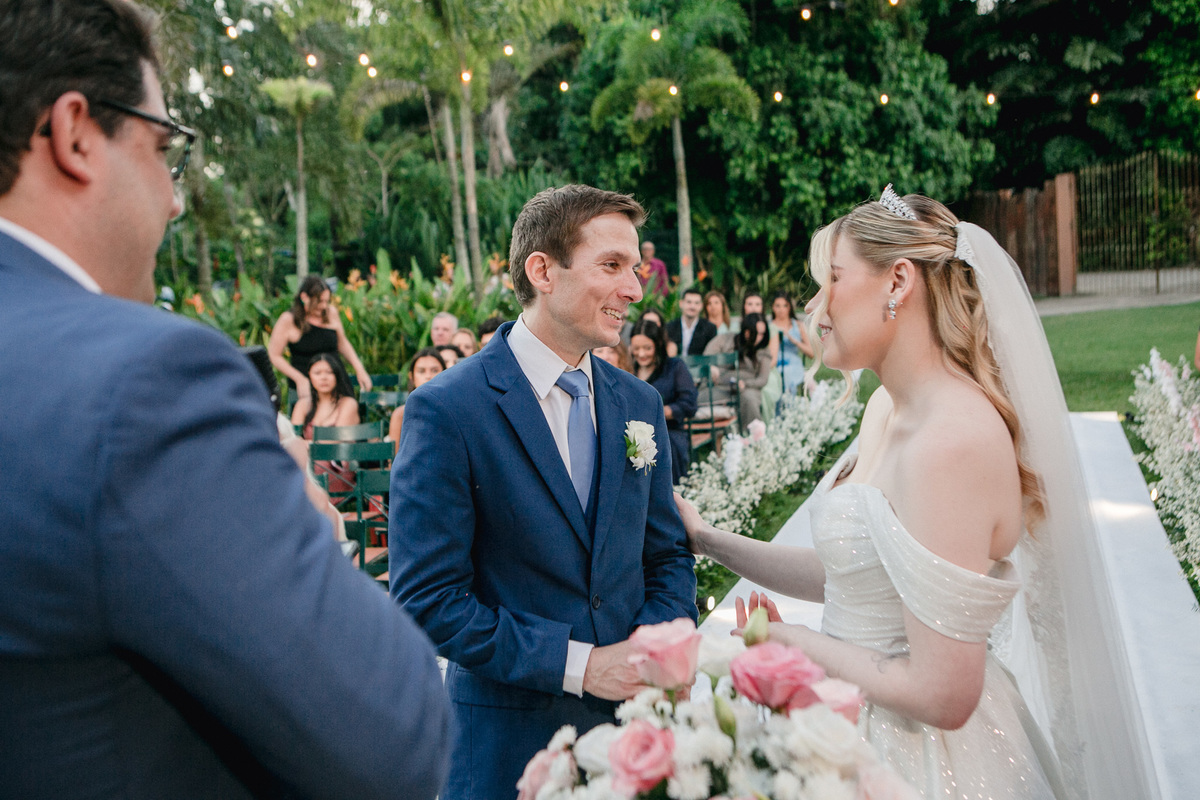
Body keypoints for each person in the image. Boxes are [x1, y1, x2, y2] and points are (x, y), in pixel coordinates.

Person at [0, 2, 450, 797]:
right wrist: (302, 512)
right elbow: (399, 736)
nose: (175, 200)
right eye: (164, 147)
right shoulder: (145, 386)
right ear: (75, 134)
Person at [676, 187, 1156, 799]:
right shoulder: (886, 408)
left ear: (897, 282)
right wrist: (706, 540)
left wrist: (790, 643)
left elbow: (945, 694)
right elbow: (853, 574)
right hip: (851, 724)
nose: (814, 308)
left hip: (924, 762)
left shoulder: (949, 442)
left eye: (832, 281)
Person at [390, 184, 697, 800]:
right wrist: (583, 666)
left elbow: (666, 556)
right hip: (508, 750)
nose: (634, 290)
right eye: (611, 266)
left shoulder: (638, 402)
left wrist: (653, 650)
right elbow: (427, 598)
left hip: (635, 746)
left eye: (634, 269)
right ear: (542, 271)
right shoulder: (448, 409)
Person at [268, 274, 373, 402]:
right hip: (306, 386)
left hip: (336, 382)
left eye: (326, 301)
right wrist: (299, 378)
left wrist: (359, 369)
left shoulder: (331, 313)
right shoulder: (288, 320)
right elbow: (274, 355)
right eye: (319, 301)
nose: (323, 306)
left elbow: (342, 343)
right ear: (304, 297)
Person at [630, 317, 698, 485]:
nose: (641, 354)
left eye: (647, 348)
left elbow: (689, 404)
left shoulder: (674, 367)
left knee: (664, 447)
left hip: (669, 431)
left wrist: (662, 412)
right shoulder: (628, 369)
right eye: (636, 348)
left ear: (658, 345)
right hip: (633, 434)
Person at [706, 312, 774, 430]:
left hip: (748, 387)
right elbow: (707, 356)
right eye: (755, 333)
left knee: (748, 398)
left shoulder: (763, 351)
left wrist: (745, 384)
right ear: (746, 332)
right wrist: (710, 367)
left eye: (762, 334)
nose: (759, 337)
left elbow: (762, 379)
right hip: (721, 385)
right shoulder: (726, 339)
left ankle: (754, 437)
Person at [388, 347, 446, 452]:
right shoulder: (401, 414)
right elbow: (392, 461)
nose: (428, 376)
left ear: (445, 372)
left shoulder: (454, 412)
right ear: (412, 377)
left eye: (435, 370)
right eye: (421, 371)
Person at [291, 352, 360, 438]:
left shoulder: (348, 403)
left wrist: (305, 444)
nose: (324, 377)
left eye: (329, 372)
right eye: (317, 373)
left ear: (337, 375)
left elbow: (338, 440)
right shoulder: (303, 405)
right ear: (309, 376)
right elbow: (293, 437)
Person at [768, 290, 813, 395]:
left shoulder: (798, 325)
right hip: (775, 363)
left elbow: (811, 354)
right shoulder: (769, 325)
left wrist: (795, 341)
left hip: (793, 364)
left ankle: (789, 403)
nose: (781, 310)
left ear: (789, 307)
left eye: (785, 306)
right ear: (773, 307)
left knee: (787, 374)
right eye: (777, 306)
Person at [666, 286, 718, 357]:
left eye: (696, 303)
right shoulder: (670, 327)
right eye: (689, 302)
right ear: (681, 304)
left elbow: (711, 356)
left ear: (701, 306)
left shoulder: (709, 329)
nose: (692, 307)